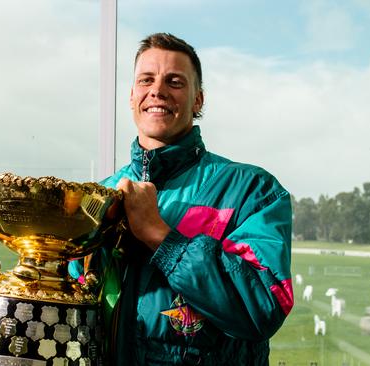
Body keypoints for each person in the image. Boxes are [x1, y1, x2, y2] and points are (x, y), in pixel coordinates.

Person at [71, 32, 292, 365]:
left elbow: (262, 308)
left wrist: (161, 237)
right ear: (132, 96)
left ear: (198, 100)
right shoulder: (97, 196)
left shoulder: (252, 189)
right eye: (146, 80)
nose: (157, 90)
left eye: (174, 82)